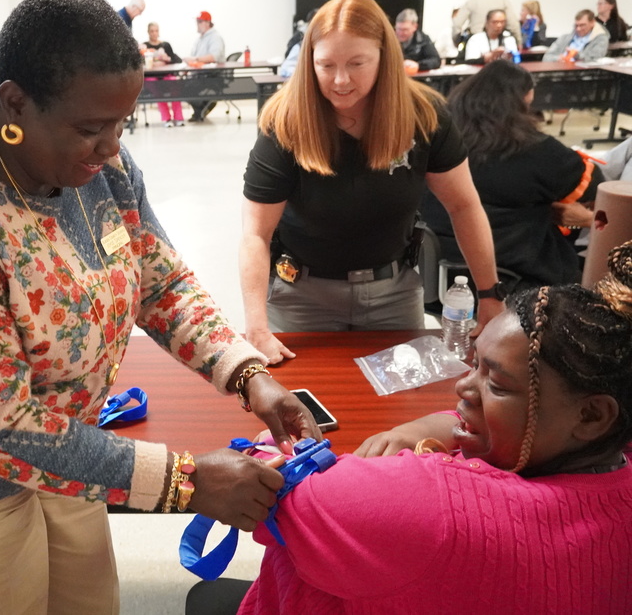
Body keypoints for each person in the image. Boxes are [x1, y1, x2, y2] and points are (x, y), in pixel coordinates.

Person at [0, 0, 321, 615]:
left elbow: (160, 280)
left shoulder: (100, 167)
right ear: (14, 103)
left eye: (122, 124)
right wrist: (185, 481)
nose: (111, 149)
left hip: (69, 436)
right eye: (92, 129)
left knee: (87, 600)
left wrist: (247, 374)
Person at [237, 239, 632, 614]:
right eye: (474, 365)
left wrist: (263, 448)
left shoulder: (437, 508)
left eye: (495, 384)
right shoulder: (611, 460)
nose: (462, 386)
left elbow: (268, 487)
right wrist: (434, 426)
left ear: (592, 416)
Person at [240, 0, 504, 365]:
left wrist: (490, 293)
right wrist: (256, 328)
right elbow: (255, 233)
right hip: (303, 297)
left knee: (404, 408)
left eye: (357, 63)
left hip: (393, 293)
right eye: (326, 65)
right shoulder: (286, 123)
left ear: (384, 57)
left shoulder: (424, 116)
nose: (340, 80)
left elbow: (463, 206)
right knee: (303, 404)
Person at [421, 60, 604, 289]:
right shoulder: (540, 150)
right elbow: (599, 188)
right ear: (525, 99)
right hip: (518, 281)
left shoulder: (434, 135)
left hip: (434, 275)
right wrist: (584, 218)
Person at [142, 21, 185, 127]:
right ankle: (166, 119)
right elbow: (144, 63)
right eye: (152, 31)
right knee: (156, 88)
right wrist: (159, 62)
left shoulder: (165, 45)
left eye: (156, 31)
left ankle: (178, 117)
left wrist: (165, 59)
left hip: (166, 75)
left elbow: (174, 59)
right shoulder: (144, 47)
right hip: (152, 77)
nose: (154, 33)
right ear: (148, 32)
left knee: (174, 84)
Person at [186, 10, 226, 121]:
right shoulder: (200, 39)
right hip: (200, 73)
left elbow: (214, 57)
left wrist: (195, 59)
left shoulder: (215, 37)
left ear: (207, 23)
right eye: (197, 22)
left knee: (185, 87)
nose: (197, 24)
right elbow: (193, 56)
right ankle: (201, 109)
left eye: (199, 22)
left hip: (212, 75)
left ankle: (201, 109)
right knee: (181, 85)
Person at [544, 9, 610, 62]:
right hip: (559, 69)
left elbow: (595, 59)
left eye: (582, 25)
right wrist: (558, 59)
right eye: (576, 25)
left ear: (592, 22)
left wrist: (577, 56)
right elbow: (547, 57)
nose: (578, 29)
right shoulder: (564, 38)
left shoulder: (600, 39)